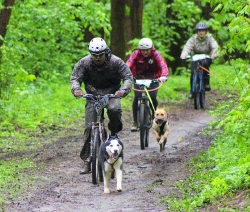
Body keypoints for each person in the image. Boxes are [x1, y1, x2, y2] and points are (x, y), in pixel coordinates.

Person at [70, 37, 133, 174]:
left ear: (105, 52)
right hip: (92, 96)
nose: (97, 58)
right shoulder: (84, 62)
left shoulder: (116, 62)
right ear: (90, 54)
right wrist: (76, 89)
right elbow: (75, 77)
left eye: (100, 55)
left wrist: (123, 90)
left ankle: (114, 133)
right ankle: (88, 160)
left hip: (112, 94)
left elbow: (128, 77)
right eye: (94, 55)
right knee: (89, 127)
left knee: (114, 110)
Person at [126, 38, 169, 132]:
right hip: (138, 79)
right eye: (143, 50)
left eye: (147, 50)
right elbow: (128, 64)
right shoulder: (135, 54)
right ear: (140, 50)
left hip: (153, 79)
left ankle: (156, 118)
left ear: (151, 49)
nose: (145, 52)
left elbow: (163, 65)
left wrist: (163, 76)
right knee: (137, 97)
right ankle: (135, 122)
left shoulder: (156, 55)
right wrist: (125, 75)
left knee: (153, 97)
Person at [180, 22, 219, 99]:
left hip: (206, 57)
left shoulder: (210, 38)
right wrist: (184, 54)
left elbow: (215, 47)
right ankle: (192, 91)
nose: (201, 32)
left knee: (205, 64)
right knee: (193, 72)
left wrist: (214, 54)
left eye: (203, 31)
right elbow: (187, 47)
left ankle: (206, 83)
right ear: (197, 32)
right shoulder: (193, 39)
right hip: (195, 58)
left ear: (205, 32)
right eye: (199, 31)